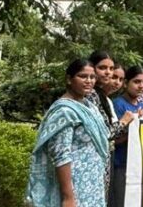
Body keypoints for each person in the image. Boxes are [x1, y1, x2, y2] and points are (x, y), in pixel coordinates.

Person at [27, 59, 112, 207]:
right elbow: (61, 156)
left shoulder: (89, 106)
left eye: (92, 77)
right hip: (75, 185)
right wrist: (68, 197)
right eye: (82, 76)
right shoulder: (64, 112)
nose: (89, 81)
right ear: (69, 79)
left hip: (92, 183)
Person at [109, 66, 143, 207]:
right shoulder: (117, 105)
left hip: (139, 167)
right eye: (137, 82)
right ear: (126, 83)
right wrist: (133, 129)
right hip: (121, 164)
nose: (141, 86)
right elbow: (114, 139)